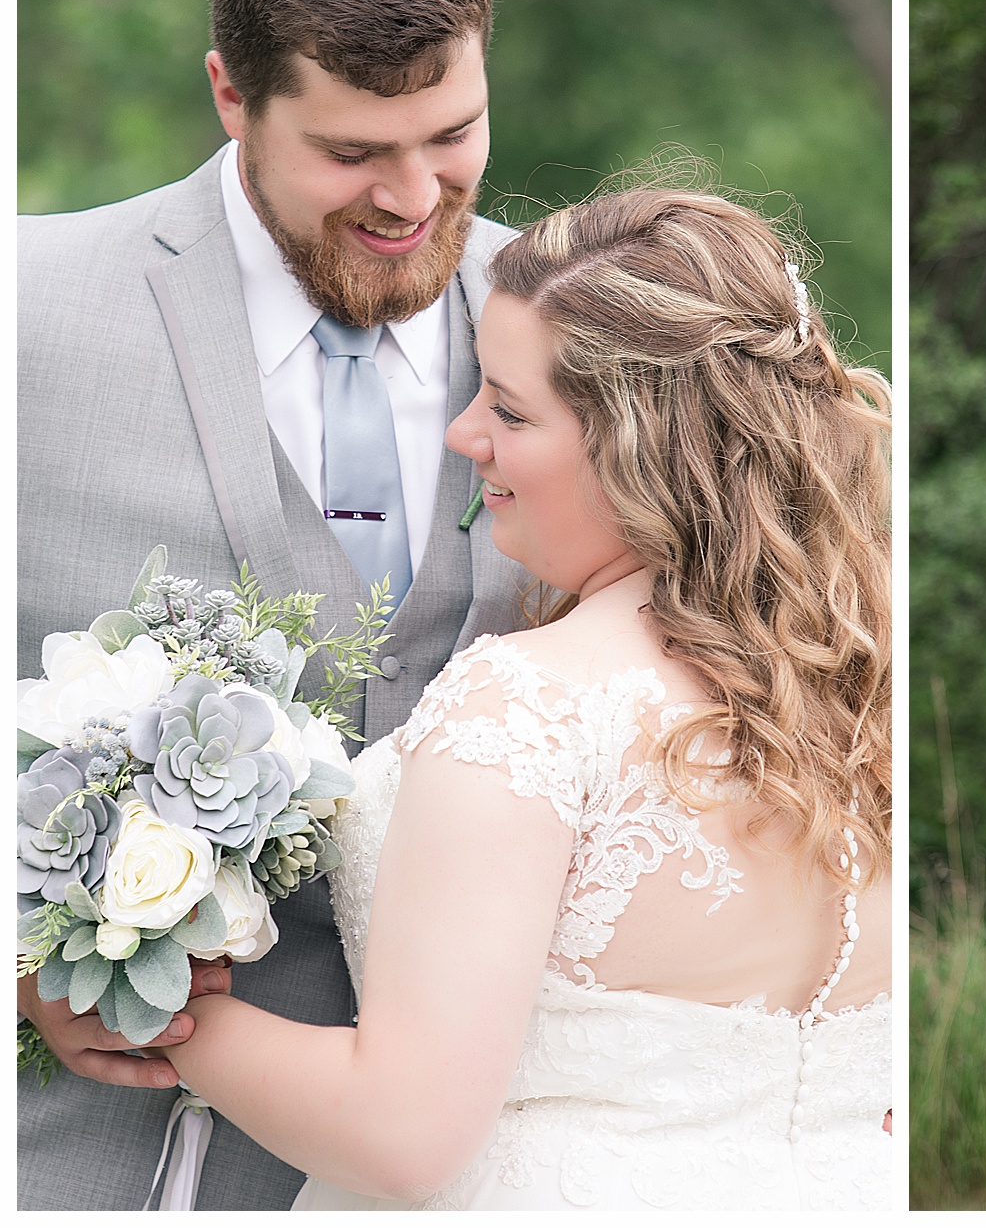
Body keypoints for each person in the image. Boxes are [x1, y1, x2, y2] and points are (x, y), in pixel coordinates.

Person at [147, 175, 896, 1210]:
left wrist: (155, 1006)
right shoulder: (865, 679)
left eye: (508, 407)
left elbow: (404, 1133)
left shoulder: (527, 706)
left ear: (643, 445)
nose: (464, 435)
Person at [17, 0, 524, 1210]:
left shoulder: (587, 336)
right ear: (231, 94)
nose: (415, 199)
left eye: (452, 135)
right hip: (87, 1155)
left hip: (500, 1155)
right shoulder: (29, 311)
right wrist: (23, 959)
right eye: (355, 151)